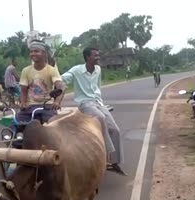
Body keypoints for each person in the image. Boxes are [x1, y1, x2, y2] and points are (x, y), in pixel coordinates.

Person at [61, 47, 127, 176]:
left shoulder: (98, 69)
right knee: (101, 118)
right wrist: (56, 81)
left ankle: (114, 162)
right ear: (87, 58)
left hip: (98, 102)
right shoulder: (77, 70)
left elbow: (97, 87)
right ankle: (105, 154)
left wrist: (100, 102)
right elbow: (63, 79)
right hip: (85, 103)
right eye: (95, 55)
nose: (98, 57)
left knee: (115, 130)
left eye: (98, 55)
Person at [17, 40, 66, 125]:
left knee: (54, 127)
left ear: (43, 53)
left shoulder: (51, 70)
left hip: (47, 106)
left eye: (36, 51)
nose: (33, 54)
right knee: (14, 127)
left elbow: (60, 87)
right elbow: (23, 90)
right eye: (31, 52)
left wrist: (57, 102)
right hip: (30, 107)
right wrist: (23, 103)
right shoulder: (25, 70)